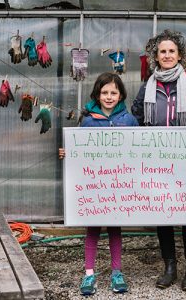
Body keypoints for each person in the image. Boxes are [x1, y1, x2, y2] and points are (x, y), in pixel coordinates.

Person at [131, 29, 186, 292]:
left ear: (180, 55)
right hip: (156, 162)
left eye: (171, 51)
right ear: (155, 57)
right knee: (163, 213)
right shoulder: (147, 87)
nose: (167, 55)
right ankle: (169, 266)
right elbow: (135, 116)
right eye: (162, 52)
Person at [59, 72, 139, 296]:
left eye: (114, 92)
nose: (109, 96)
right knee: (92, 229)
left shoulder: (130, 121)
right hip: (94, 186)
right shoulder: (87, 121)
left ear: (121, 94)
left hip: (119, 184)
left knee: (115, 228)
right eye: (104, 92)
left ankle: (116, 272)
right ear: (97, 94)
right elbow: (78, 151)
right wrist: (68, 152)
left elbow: (140, 152)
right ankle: (89, 273)